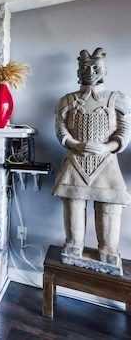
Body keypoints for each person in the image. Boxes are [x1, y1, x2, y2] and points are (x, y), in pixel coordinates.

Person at [52, 48, 131, 267]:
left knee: (109, 204)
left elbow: (124, 132)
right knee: (74, 202)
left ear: (104, 69)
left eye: (96, 67)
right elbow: (60, 130)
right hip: (75, 160)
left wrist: (107, 147)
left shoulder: (117, 99)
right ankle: (73, 243)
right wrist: (76, 144)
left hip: (107, 162)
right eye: (85, 67)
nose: (90, 71)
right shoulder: (67, 100)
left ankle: (108, 248)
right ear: (78, 70)